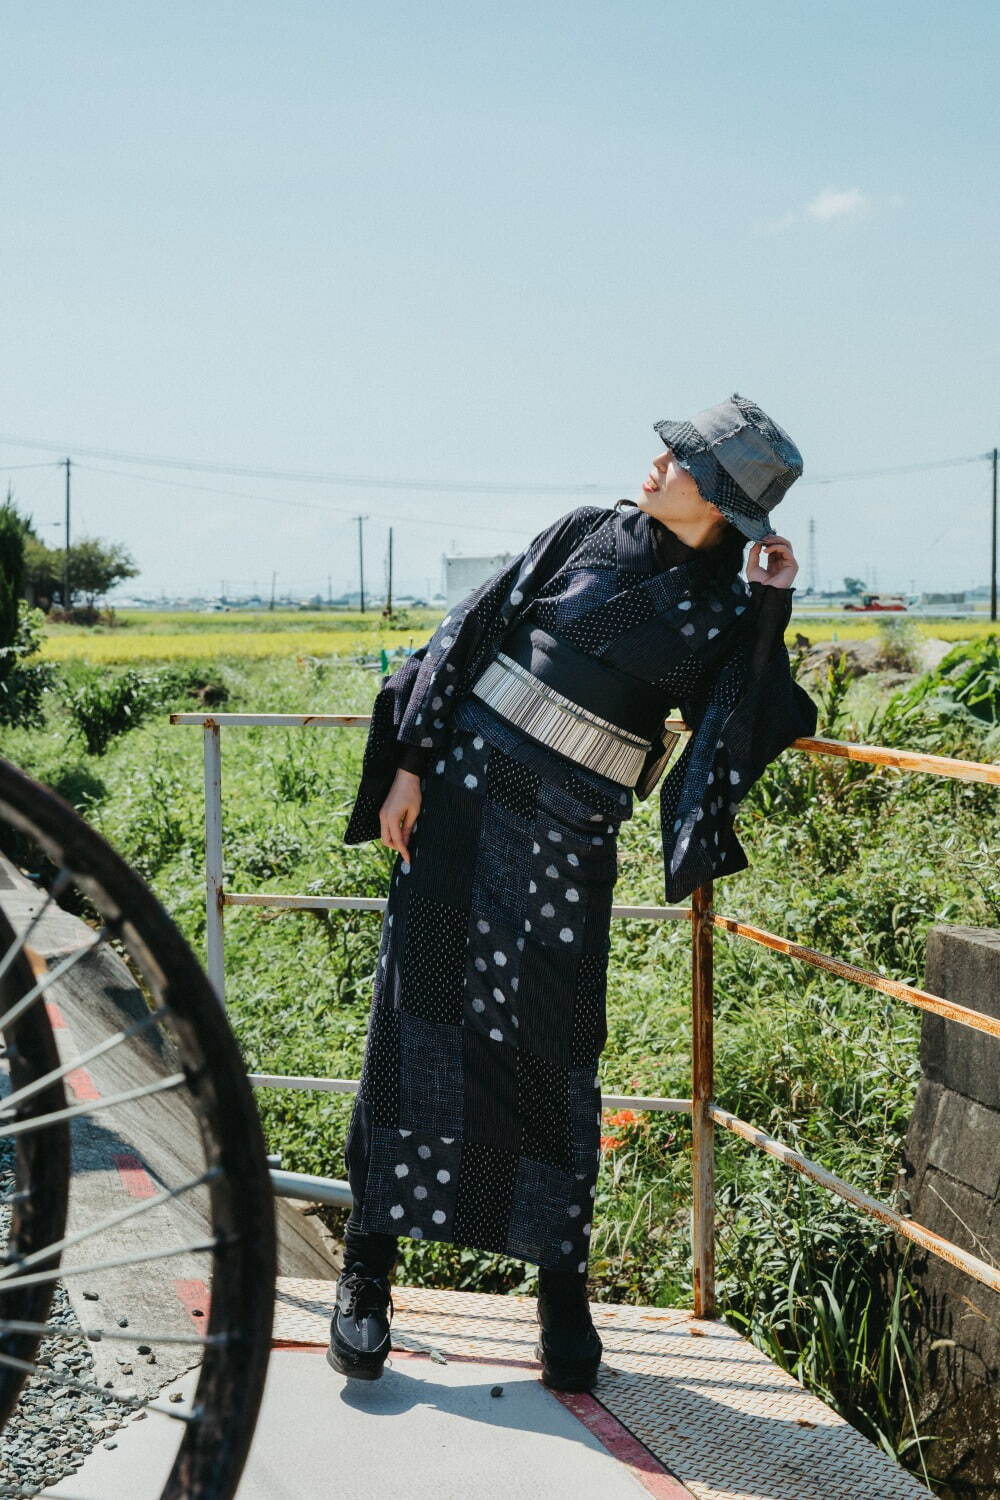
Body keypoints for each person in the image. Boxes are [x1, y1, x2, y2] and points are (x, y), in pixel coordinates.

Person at [328, 392, 818, 1389]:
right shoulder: (584, 534)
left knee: (553, 1062)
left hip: (566, 844)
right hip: (458, 808)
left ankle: (561, 1299)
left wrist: (770, 608)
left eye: (681, 462)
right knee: (411, 1026)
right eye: (667, 451)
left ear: (718, 502)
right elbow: (468, 631)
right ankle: (365, 1275)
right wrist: (411, 762)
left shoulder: (725, 606)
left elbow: (738, 724)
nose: (657, 464)